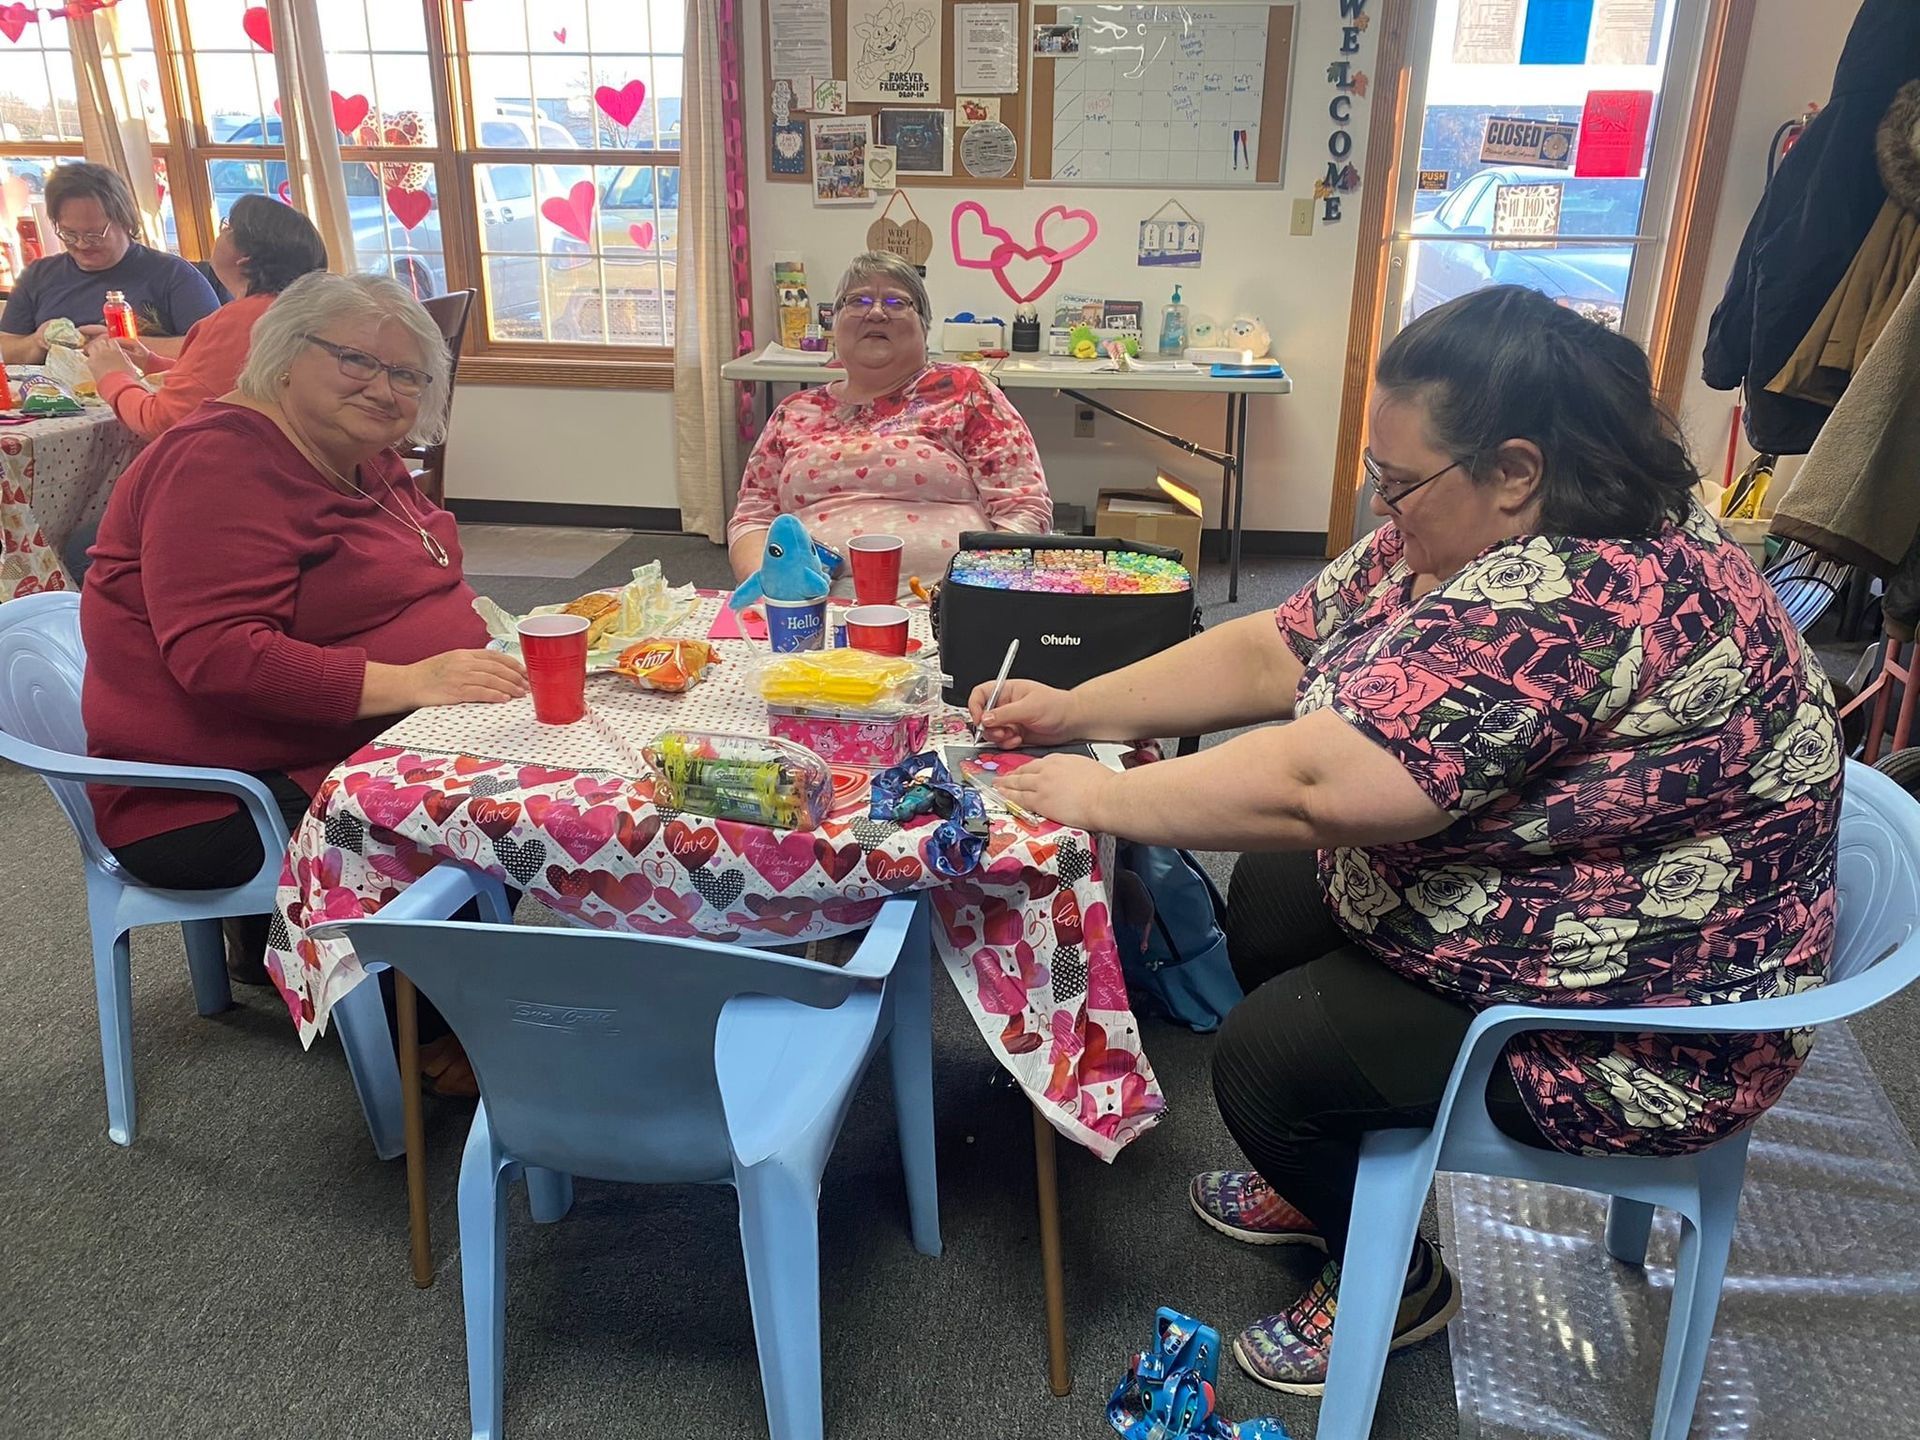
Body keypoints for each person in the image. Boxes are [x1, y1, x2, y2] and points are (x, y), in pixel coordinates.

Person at [967, 286, 1843, 1396]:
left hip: (1658, 1014)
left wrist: (1085, 799)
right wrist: (1078, 709)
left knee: (1269, 1060)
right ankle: (1338, 1168)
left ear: (1516, 469)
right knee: (1279, 896)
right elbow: (1275, 650)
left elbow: (1317, 784)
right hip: (1569, 901)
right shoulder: (1470, 530)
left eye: (1400, 480)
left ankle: (1399, 1275)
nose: (1384, 506)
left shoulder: (1588, 588)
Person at [81, 271, 525, 1001]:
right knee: (493, 808)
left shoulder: (359, 455)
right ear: (284, 355)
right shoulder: (218, 462)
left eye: (408, 375)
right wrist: (418, 681)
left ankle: (435, 999)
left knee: (551, 758)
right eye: (356, 360)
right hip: (214, 793)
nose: (384, 389)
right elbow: (220, 657)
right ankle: (428, 1027)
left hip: (326, 742)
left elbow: (429, 573)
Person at [729, 250, 1052, 596]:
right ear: (834, 323)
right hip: (811, 609)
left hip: (949, 605)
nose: (877, 312)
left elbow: (1023, 509)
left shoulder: (965, 393)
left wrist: (974, 596)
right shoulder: (794, 413)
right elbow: (753, 517)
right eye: (858, 300)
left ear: (924, 327)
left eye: (897, 302)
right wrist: (774, 587)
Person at [84, 195, 328, 441]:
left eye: (226, 227)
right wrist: (151, 363)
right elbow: (233, 384)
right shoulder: (298, 311)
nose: (220, 233)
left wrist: (113, 375)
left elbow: (161, 421)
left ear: (244, 257)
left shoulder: (241, 319)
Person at [0, 162, 220, 363]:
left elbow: (215, 349)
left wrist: (124, 343)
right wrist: (38, 341)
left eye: (94, 234)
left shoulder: (174, 275)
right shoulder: (38, 275)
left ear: (125, 221)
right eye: (69, 234)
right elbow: (7, 349)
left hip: (142, 400)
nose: (82, 244)